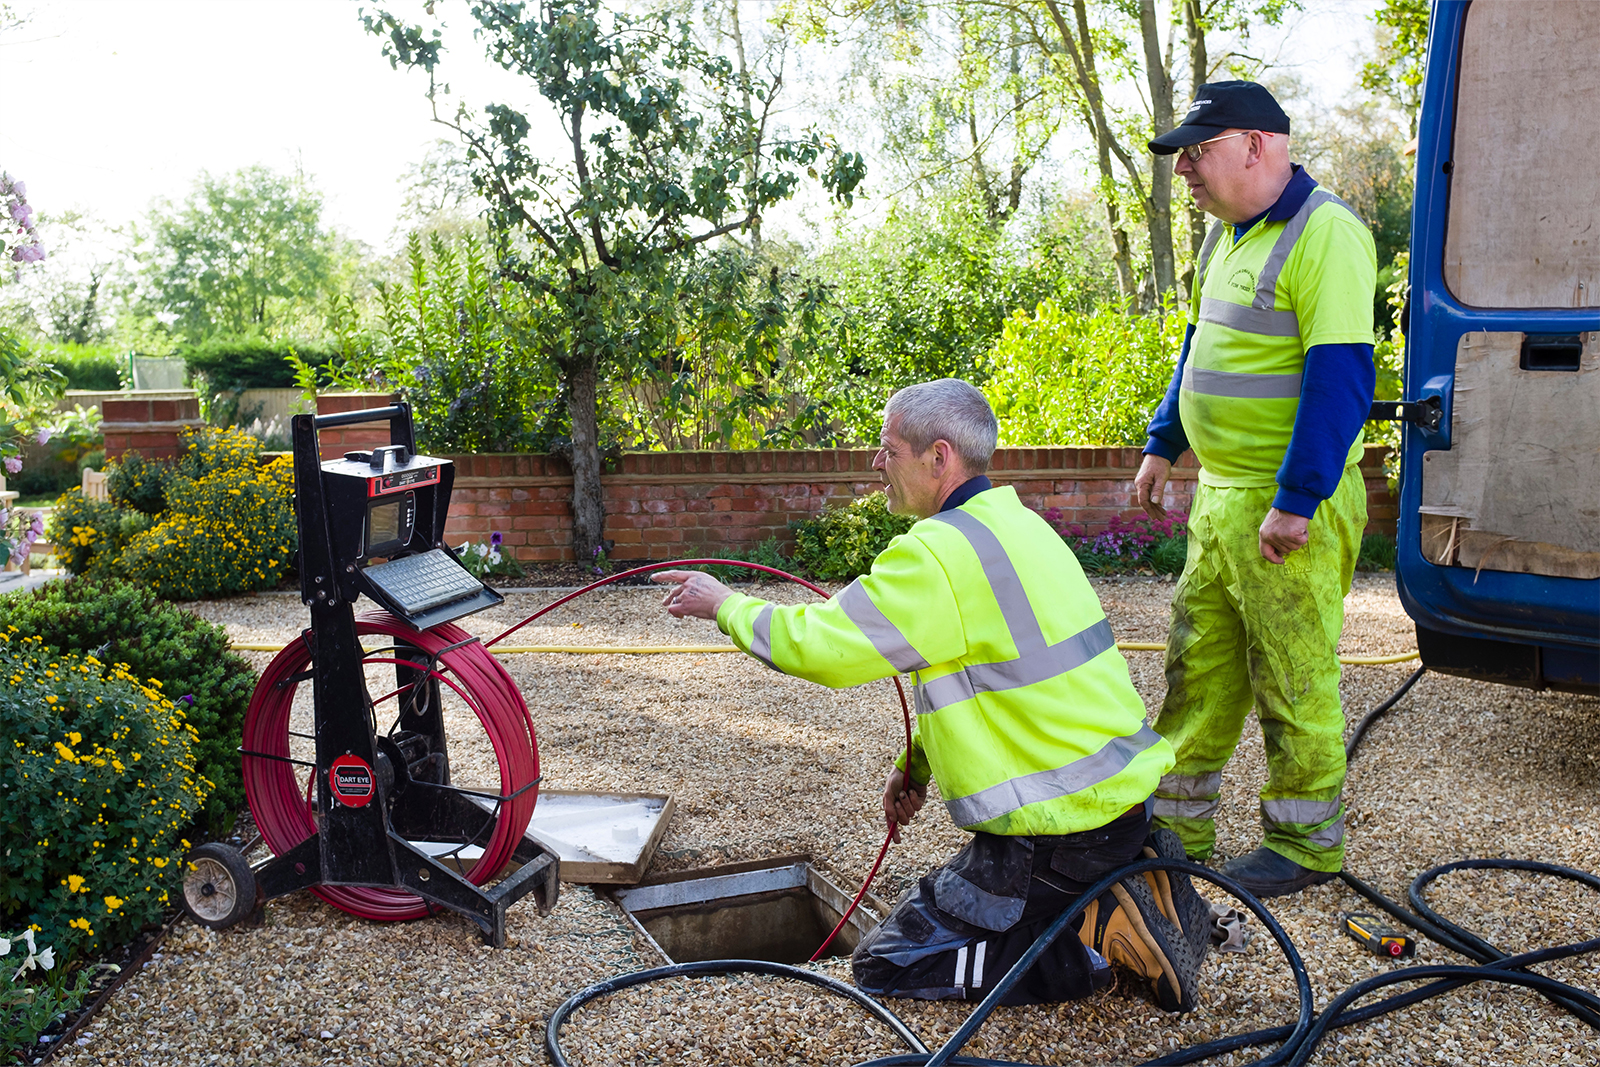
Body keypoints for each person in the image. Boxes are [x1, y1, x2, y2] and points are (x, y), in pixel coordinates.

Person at [655, 379, 1211, 1011]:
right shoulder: (1019, 526)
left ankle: (1092, 935)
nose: (875, 462)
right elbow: (998, 683)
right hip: (1113, 807)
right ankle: (1130, 871)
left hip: (1059, 834)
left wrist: (723, 603)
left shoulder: (940, 554)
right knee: (935, 916)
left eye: (887, 449)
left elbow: (822, 647)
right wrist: (914, 764)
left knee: (889, 965)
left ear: (938, 458)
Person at [1136, 81, 1377, 897]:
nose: (1185, 173)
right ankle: (1173, 828)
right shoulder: (1224, 240)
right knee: (1197, 666)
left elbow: (1339, 379)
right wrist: (1165, 442)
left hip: (1283, 504)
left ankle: (1304, 846)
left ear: (1255, 144)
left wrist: (1299, 499)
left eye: (1195, 153)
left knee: (1293, 672)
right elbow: (1200, 351)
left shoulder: (1327, 234)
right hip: (1223, 498)